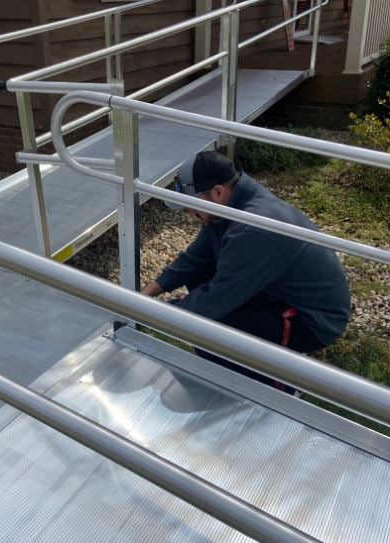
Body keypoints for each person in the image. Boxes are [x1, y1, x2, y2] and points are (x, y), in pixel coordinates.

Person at [141, 150, 351, 392]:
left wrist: (156, 314)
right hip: (280, 293)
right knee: (200, 284)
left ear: (217, 192)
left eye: (190, 206)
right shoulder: (231, 205)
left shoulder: (252, 229)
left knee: (213, 322)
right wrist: (146, 296)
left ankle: (267, 389)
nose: (189, 214)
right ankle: (228, 369)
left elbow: (215, 300)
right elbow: (195, 259)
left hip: (313, 319)